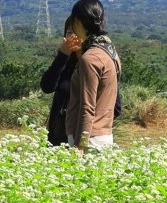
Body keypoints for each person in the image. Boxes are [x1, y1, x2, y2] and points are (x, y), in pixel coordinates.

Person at [41, 16, 122, 147]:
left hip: (83, 139)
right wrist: (63, 54)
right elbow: (47, 86)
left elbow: (115, 107)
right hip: (57, 138)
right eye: (68, 33)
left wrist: (85, 124)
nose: (72, 37)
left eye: (76, 32)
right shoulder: (65, 64)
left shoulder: (95, 62)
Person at [66, 0, 121, 152]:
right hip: (104, 135)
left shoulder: (90, 58)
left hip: (89, 141)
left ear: (77, 22)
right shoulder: (110, 50)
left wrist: (80, 147)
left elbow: (87, 107)